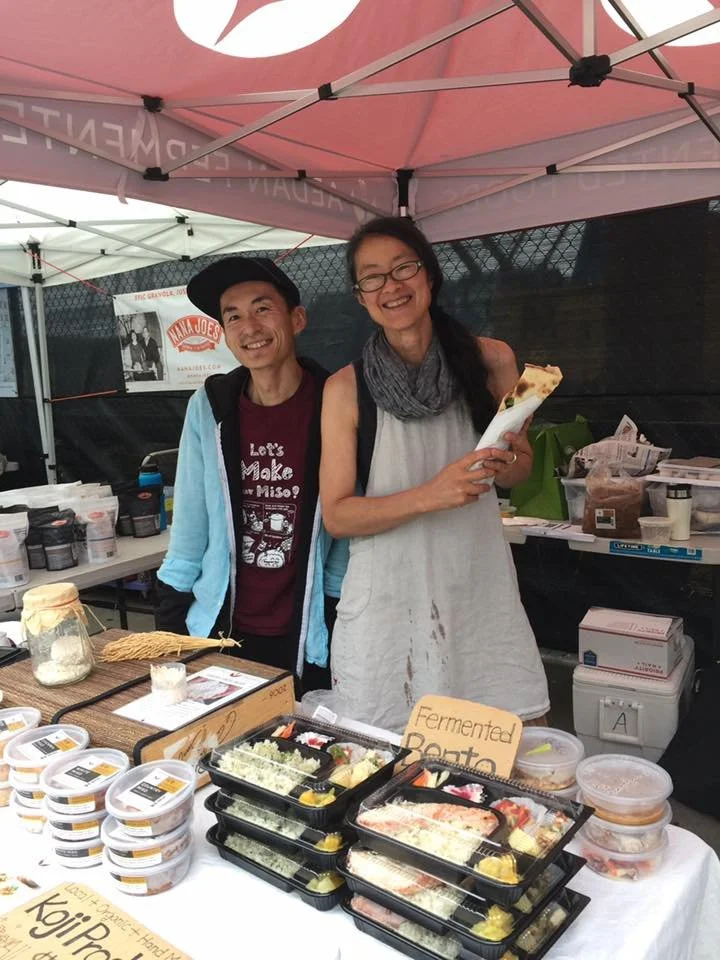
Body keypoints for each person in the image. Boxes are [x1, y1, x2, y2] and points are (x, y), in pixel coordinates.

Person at [320, 216, 549, 732]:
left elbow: (519, 474)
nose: (391, 286)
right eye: (373, 277)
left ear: (429, 275)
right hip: (387, 606)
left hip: (477, 588)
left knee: (503, 755)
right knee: (387, 763)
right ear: (360, 297)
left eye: (403, 268)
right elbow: (337, 514)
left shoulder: (493, 358)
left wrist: (509, 457)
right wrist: (432, 493)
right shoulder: (344, 389)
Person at [155, 256, 347, 688]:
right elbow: (189, 526)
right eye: (234, 316)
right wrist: (171, 625)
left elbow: (346, 531)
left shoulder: (337, 400)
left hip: (309, 631)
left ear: (297, 319)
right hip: (220, 628)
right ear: (225, 334)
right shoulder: (210, 406)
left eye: (263, 309)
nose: (250, 327)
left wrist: (334, 613)